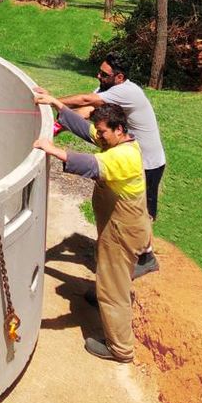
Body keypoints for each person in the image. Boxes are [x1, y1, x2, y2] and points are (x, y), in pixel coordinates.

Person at [34, 102, 151, 362]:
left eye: (103, 132)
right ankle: (102, 294)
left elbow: (89, 165)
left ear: (119, 129)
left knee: (114, 290)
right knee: (107, 270)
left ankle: (120, 349)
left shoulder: (123, 157)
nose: (99, 136)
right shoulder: (118, 141)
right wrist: (55, 104)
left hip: (124, 231)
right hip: (118, 227)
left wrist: (51, 149)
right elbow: (85, 130)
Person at [34, 51, 165, 278]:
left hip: (147, 161)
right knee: (121, 207)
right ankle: (130, 249)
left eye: (104, 74)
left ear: (120, 77)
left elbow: (86, 101)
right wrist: (56, 122)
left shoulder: (128, 92)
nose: (98, 76)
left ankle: (145, 257)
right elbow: (87, 112)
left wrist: (54, 99)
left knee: (140, 210)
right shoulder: (107, 90)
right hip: (123, 154)